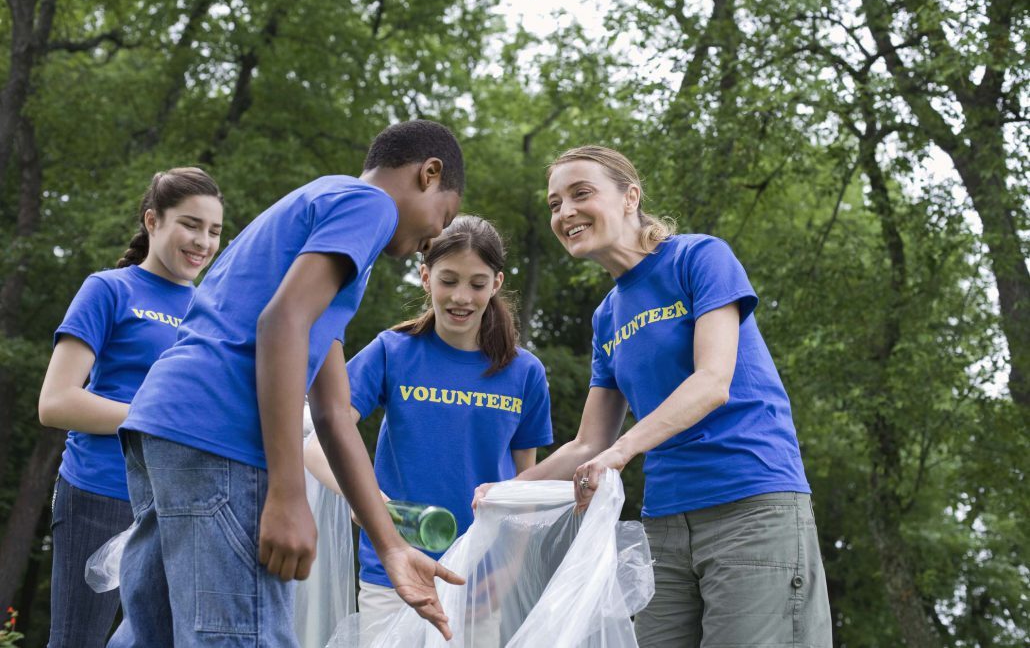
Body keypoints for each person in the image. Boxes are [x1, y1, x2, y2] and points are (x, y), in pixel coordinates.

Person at [107, 120, 467, 648]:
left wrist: (390, 545)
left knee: (154, 637)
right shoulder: (368, 205)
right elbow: (280, 325)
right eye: (446, 214)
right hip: (221, 438)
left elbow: (332, 411)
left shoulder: (324, 225)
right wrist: (288, 492)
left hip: (165, 428)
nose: (436, 236)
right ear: (428, 174)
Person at [476, 145, 832, 646]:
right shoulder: (607, 316)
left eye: (581, 194)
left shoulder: (698, 258)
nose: (566, 213)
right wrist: (508, 490)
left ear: (630, 197)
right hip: (664, 528)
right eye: (555, 203)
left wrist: (622, 452)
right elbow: (589, 442)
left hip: (751, 507)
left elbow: (712, 381)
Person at [305, 215, 553, 633]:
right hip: (393, 574)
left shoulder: (525, 372)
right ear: (425, 277)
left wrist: (508, 570)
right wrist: (373, 505)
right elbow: (316, 444)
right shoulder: (392, 351)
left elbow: (526, 486)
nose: (461, 296)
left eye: (476, 284)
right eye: (448, 280)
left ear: (496, 284)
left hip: (478, 577)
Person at [38, 168, 224, 648]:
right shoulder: (109, 289)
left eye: (214, 230)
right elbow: (56, 402)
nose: (203, 241)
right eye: (191, 224)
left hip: (179, 505)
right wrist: (160, 420)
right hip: (99, 494)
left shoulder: (213, 311)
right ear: (153, 221)